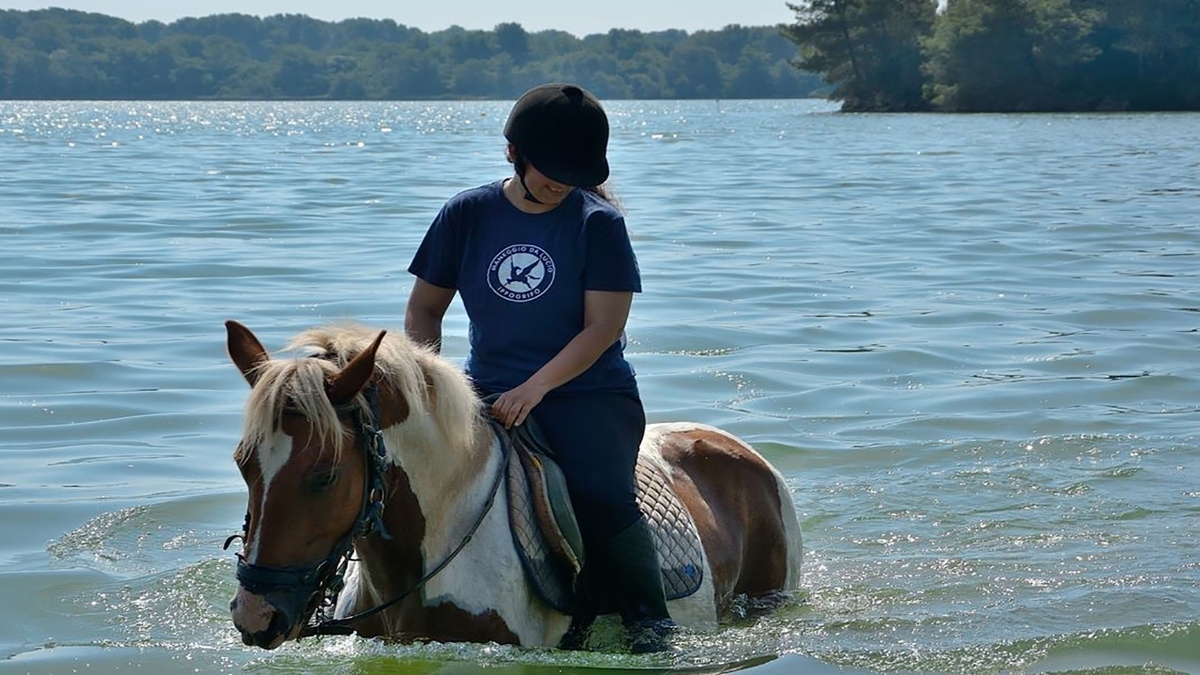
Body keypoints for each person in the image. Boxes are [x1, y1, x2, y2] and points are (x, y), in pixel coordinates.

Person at [404, 83, 675, 652]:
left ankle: (650, 619)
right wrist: (431, 387)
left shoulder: (596, 223)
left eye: (573, 173)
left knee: (601, 493)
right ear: (512, 152)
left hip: (588, 393)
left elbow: (603, 330)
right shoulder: (465, 213)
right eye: (551, 169)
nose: (561, 183)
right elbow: (426, 308)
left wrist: (535, 388)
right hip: (487, 391)